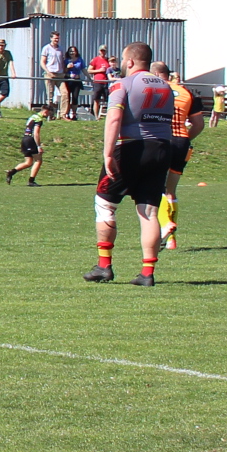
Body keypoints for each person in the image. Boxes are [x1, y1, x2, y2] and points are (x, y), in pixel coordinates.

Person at [87, 40, 173, 286]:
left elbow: (114, 118)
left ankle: (104, 266)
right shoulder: (167, 87)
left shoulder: (123, 84)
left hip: (130, 147)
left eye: (124, 60)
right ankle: (147, 272)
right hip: (161, 149)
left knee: (105, 204)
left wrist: (108, 154)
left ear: (131, 61)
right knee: (149, 211)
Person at [158, 64, 199, 250]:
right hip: (181, 140)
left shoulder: (154, 90)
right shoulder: (186, 92)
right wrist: (185, 139)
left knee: (156, 188)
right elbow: (199, 124)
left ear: (157, 74)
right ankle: (171, 240)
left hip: (161, 139)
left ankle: (165, 224)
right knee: (171, 190)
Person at [7, 107, 49, 185]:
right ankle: (31, 181)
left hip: (25, 139)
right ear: (45, 111)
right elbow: (36, 133)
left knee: (28, 162)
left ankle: (11, 172)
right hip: (30, 140)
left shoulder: (32, 116)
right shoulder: (39, 119)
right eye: (49, 113)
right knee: (38, 160)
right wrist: (39, 146)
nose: (49, 115)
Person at [38, 30, 65, 111]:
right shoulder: (46, 48)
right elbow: (42, 62)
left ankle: (63, 113)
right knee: (50, 95)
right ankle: (49, 113)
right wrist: (47, 72)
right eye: (55, 38)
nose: (56, 40)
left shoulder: (61, 49)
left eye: (58, 38)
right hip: (50, 73)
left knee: (65, 93)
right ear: (51, 38)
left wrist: (64, 70)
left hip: (59, 74)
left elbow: (62, 61)